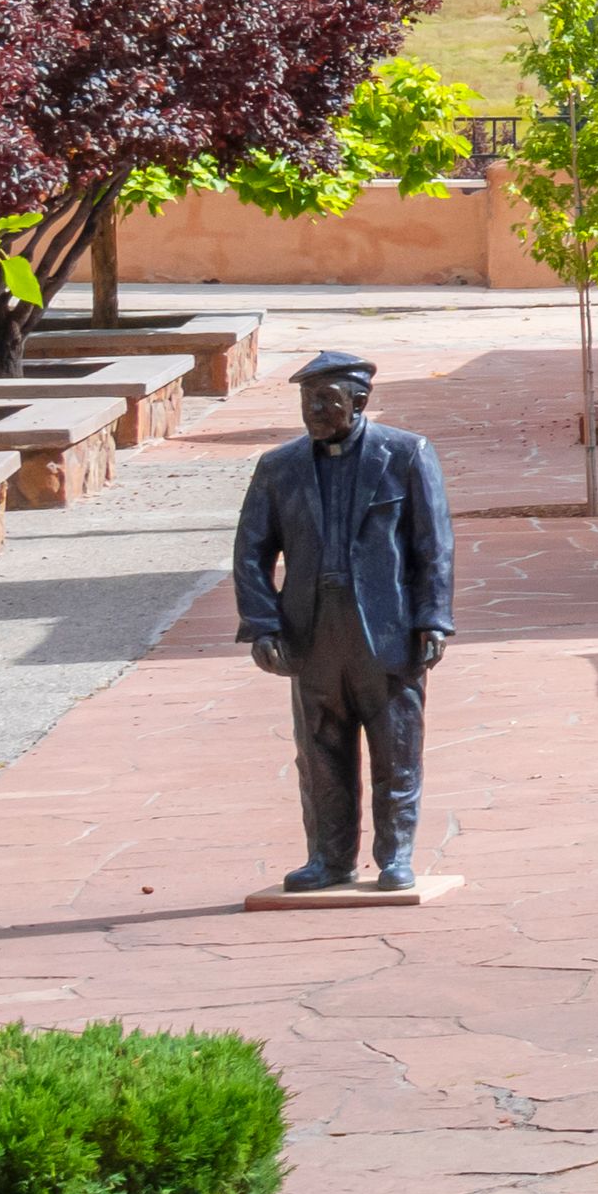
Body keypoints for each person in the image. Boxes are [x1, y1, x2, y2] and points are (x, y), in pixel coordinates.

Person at [232, 349, 452, 892]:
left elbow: (433, 545)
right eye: (307, 400)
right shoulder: (279, 467)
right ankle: (329, 859)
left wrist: (432, 618)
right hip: (312, 630)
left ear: (360, 401)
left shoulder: (405, 454)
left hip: (387, 629)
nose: (314, 411)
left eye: (326, 400)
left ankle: (395, 855)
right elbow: (251, 552)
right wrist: (263, 624)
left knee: (396, 748)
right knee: (319, 752)